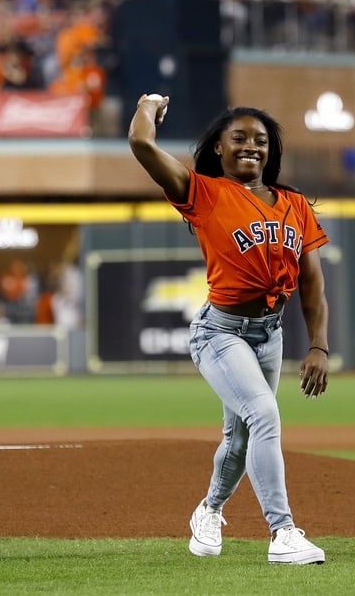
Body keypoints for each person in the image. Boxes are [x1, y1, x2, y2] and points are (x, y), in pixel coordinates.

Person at [127, 94, 329, 566]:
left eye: (260, 140)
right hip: (220, 332)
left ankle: (209, 510)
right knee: (265, 416)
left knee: (240, 438)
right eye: (238, 138)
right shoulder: (203, 192)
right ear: (218, 147)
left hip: (270, 334)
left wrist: (318, 344)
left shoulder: (296, 205)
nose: (250, 147)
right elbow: (140, 143)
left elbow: (313, 282)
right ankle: (282, 532)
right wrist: (147, 106)